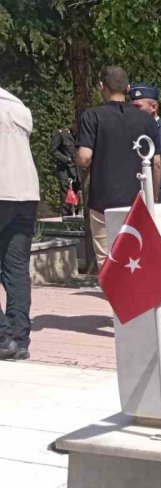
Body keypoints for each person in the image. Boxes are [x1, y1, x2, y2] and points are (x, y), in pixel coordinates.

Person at [75, 65, 161, 267]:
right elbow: (156, 162)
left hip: (103, 197)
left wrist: (77, 159)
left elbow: (85, 157)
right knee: (137, 250)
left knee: (106, 254)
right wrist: (153, 196)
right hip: (138, 195)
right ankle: (138, 293)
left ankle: (113, 294)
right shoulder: (147, 120)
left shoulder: (92, 116)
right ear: (128, 87)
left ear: (101, 87)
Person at [0, 87, 40, 360]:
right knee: (16, 270)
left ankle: (3, 337)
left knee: (14, 269)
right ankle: (19, 338)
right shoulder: (18, 106)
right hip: (25, 192)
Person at [49, 127, 79, 215]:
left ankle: (76, 218)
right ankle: (67, 219)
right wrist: (67, 159)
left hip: (78, 171)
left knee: (77, 198)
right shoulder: (62, 134)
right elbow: (53, 150)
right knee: (66, 197)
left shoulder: (81, 135)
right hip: (66, 170)